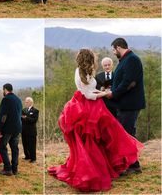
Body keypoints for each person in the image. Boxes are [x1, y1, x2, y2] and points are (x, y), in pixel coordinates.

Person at [48, 49, 143, 193]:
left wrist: (99, 92)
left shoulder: (83, 71)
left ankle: (105, 165)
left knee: (102, 136)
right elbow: (87, 94)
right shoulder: (80, 73)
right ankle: (90, 170)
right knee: (92, 139)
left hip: (89, 104)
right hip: (87, 107)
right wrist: (104, 93)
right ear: (89, 59)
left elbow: (89, 91)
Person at [106, 38, 146, 174]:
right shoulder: (125, 60)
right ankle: (129, 163)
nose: (113, 53)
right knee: (125, 134)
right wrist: (110, 88)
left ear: (118, 47)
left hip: (130, 104)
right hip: (124, 104)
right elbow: (121, 80)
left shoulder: (132, 59)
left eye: (113, 50)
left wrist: (113, 94)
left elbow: (130, 82)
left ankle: (134, 165)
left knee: (127, 135)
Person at [0, 83, 22, 176]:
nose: (2, 91)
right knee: (15, 148)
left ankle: (7, 169)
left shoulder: (6, 99)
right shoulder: (18, 99)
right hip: (17, 128)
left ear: (5, 89)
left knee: (2, 147)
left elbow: (3, 116)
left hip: (7, 129)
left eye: (2, 90)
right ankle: (15, 169)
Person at [21, 97, 39, 163]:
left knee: (32, 145)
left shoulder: (35, 111)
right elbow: (21, 118)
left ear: (31, 102)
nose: (25, 103)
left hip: (31, 131)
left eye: (27, 102)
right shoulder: (23, 110)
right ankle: (27, 156)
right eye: (25, 102)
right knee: (25, 144)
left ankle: (33, 158)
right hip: (24, 130)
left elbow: (34, 120)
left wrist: (26, 118)